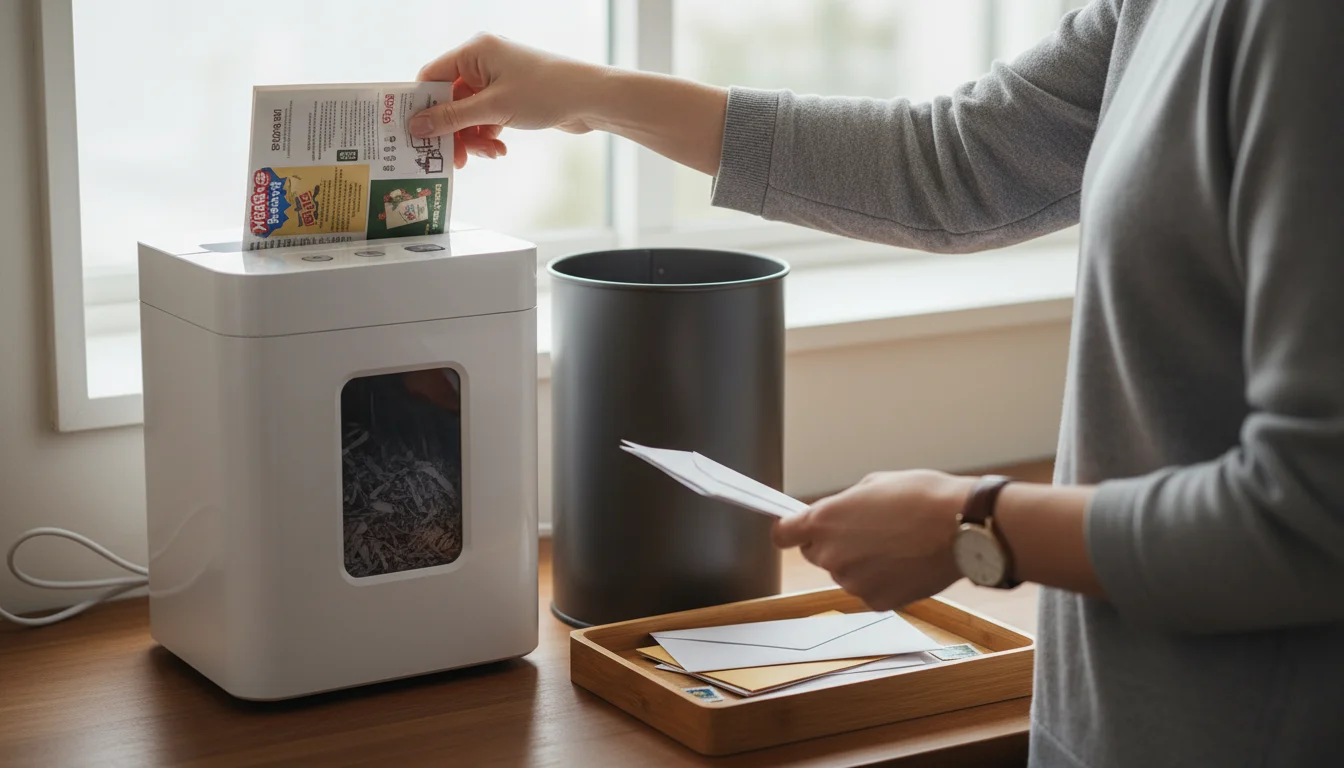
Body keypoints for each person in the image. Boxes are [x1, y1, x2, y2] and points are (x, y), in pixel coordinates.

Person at [410, 1, 1344, 765]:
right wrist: (591, 96)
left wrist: (974, 525)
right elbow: (959, 160)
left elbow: (1314, 518)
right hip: (1107, 710)